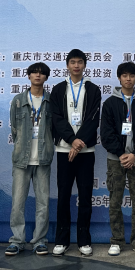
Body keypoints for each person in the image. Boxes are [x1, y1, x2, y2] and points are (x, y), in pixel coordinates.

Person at [50, 49, 102, 257]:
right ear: (67, 65)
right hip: (64, 150)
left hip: (86, 151)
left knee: (85, 194)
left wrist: (78, 144)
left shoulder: (93, 89)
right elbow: (56, 118)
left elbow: (93, 119)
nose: (76, 65)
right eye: (73, 62)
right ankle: (61, 240)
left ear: (85, 65)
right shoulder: (58, 89)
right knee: (63, 194)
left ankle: (84, 240)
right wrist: (72, 141)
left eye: (80, 62)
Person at [100, 62, 135, 257]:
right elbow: (106, 133)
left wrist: (134, 154)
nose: (128, 79)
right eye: (124, 75)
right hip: (116, 160)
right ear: (119, 78)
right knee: (115, 200)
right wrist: (121, 153)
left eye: (131, 75)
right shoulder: (110, 103)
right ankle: (116, 241)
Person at [6, 63, 54, 256]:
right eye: (34, 72)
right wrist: (21, 147)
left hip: (43, 159)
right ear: (28, 76)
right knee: (18, 202)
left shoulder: (51, 101)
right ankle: (17, 240)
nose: (38, 75)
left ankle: (40, 240)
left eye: (42, 73)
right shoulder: (18, 101)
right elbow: (14, 129)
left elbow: (54, 129)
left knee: (43, 203)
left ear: (46, 77)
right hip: (22, 160)